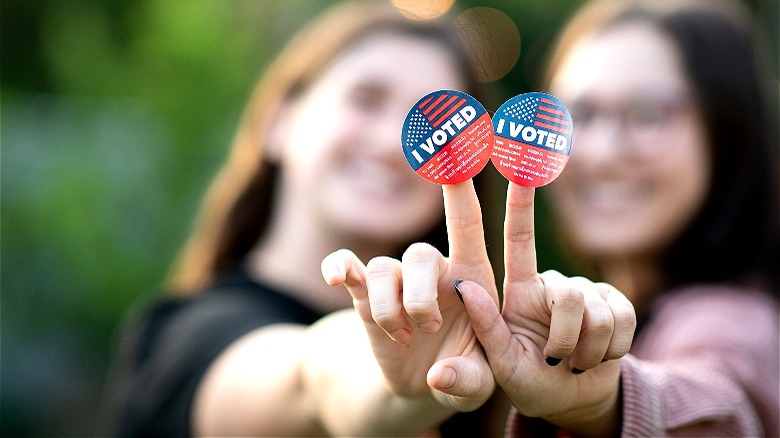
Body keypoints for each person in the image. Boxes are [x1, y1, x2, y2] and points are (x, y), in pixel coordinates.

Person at [325, 0, 779, 436]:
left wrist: (610, 404)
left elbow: (729, 402)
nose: (601, 153)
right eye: (577, 114)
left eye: (647, 115)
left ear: (727, 134)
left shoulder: (737, 323)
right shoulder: (598, 314)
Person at [100, 1, 510, 436]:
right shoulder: (190, 339)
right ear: (279, 119)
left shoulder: (470, 363)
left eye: (434, 123)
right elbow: (313, 381)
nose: (393, 141)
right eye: (366, 100)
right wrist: (393, 387)